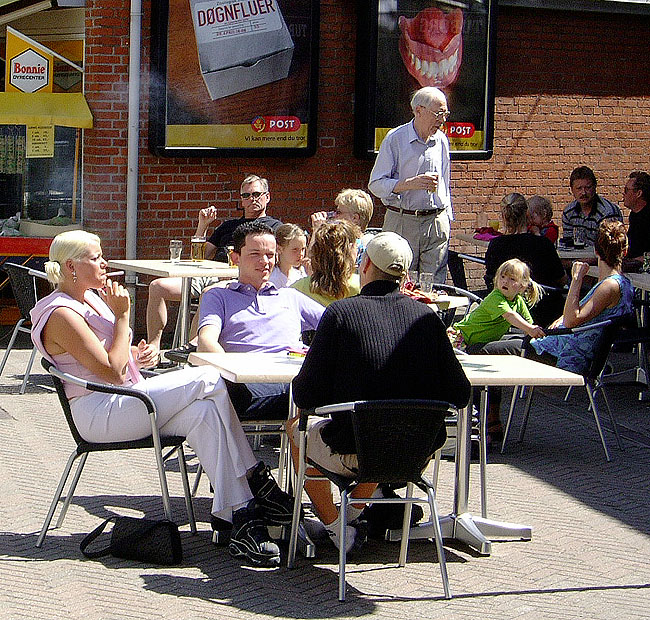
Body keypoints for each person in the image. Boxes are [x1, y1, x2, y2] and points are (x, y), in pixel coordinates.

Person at [29, 231, 295, 568]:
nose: (104, 263)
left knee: (204, 411)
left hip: (124, 399)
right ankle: (257, 478)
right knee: (209, 378)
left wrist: (135, 356)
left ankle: (239, 515)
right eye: (96, 258)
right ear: (71, 267)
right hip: (99, 412)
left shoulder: (90, 299)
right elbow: (110, 372)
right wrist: (123, 316)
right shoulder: (61, 314)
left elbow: (112, 360)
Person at [290, 231, 471, 552]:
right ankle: (348, 518)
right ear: (404, 273)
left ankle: (335, 526)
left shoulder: (340, 314)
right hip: (416, 452)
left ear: (365, 265)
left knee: (297, 428)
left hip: (355, 450)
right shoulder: (427, 319)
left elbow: (304, 396)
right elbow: (461, 394)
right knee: (382, 425)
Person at [197, 220, 324, 422]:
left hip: (294, 380)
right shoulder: (219, 296)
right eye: (255, 254)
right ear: (235, 258)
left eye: (270, 255)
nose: (264, 261)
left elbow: (336, 324)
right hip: (245, 384)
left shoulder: (291, 296)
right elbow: (206, 340)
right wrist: (231, 373)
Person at [146, 175, 282, 357]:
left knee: (209, 293)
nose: (252, 199)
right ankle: (152, 351)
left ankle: (193, 352)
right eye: (246, 195)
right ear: (241, 200)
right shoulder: (228, 226)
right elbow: (200, 256)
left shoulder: (274, 228)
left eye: (256, 194)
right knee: (157, 286)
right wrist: (203, 225)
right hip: (208, 274)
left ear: (267, 197)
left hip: (238, 280)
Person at [368, 86, 452, 284]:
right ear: (418, 111)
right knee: (398, 281)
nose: (442, 120)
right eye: (438, 114)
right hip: (403, 220)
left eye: (445, 114)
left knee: (434, 284)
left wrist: (447, 218)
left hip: (436, 221)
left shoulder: (441, 140)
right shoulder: (395, 139)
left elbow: (445, 182)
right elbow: (376, 184)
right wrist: (408, 184)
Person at [530, 220, 634, 374]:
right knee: (509, 344)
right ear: (625, 251)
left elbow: (572, 321)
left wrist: (576, 279)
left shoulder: (609, 286)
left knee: (497, 349)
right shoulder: (623, 283)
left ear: (596, 251)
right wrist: (563, 318)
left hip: (564, 354)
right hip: (561, 345)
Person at [485, 192, 566, 327]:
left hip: (505, 311)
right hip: (542, 312)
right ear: (527, 214)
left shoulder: (495, 245)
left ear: (504, 217)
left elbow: (491, 278)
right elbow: (561, 280)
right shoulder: (543, 244)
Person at [448, 259, 545, 352]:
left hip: (479, 342)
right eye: (502, 276)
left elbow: (528, 322)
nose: (505, 281)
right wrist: (530, 329)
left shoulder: (518, 301)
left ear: (521, 286)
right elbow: (510, 315)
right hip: (460, 339)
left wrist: (534, 332)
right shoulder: (496, 297)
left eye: (512, 279)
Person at [291, 220, 361, 307]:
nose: (357, 250)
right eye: (356, 246)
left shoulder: (296, 290)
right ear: (350, 248)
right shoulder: (362, 288)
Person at [309, 189, 375, 265]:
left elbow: (311, 264)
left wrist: (317, 229)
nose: (334, 216)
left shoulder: (364, 248)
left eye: (338, 212)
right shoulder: (338, 242)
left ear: (355, 218)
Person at [561, 166, 622, 244]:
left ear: (595, 187)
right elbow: (568, 244)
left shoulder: (608, 212)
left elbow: (611, 247)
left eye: (588, 187)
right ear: (572, 189)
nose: (583, 193)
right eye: (579, 188)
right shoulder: (568, 212)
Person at [622, 170, 650, 271]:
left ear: (638, 193)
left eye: (626, 190)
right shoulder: (634, 215)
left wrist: (634, 261)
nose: (623, 193)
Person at [268, 223, 308, 288]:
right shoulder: (271, 279)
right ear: (279, 249)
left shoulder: (302, 274)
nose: (301, 254)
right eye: (295, 250)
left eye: (303, 249)